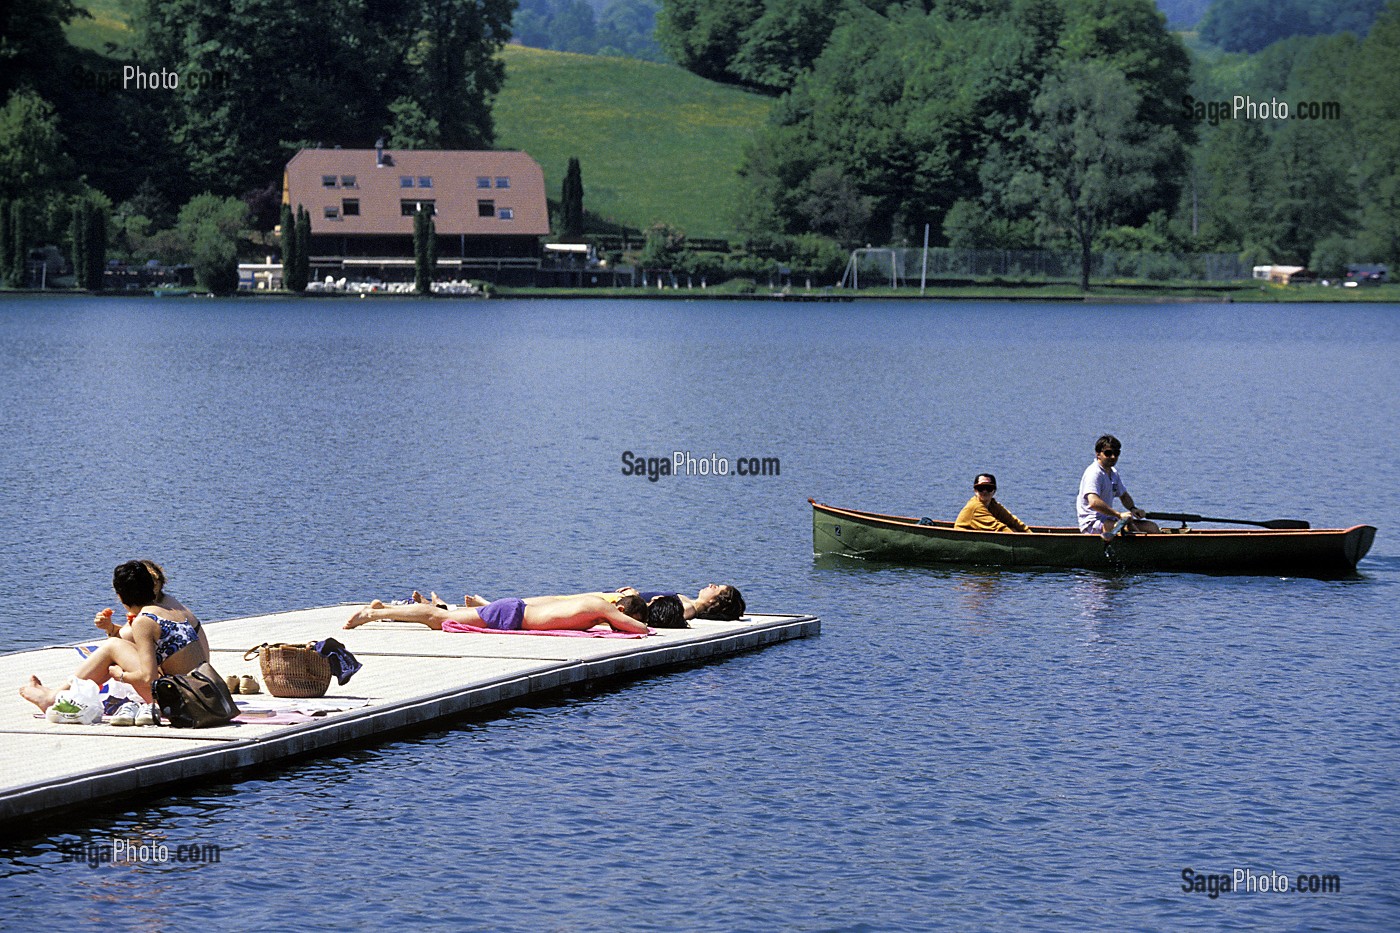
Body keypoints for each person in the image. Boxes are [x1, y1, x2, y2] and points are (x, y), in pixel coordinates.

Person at [20, 560, 211, 726]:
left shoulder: (144, 621)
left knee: (113, 647)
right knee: (119, 647)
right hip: (206, 696)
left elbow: (148, 678)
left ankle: (52, 698)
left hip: (184, 704)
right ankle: (56, 694)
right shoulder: (169, 609)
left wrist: (120, 676)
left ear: (120, 596)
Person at [423, 583, 746, 623]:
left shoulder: (687, 608)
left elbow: (652, 616)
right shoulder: (687, 601)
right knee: (538, 603)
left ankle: (445, 609)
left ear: (717, 601)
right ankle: (455, 607)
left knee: (540, 603)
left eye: (718, 588)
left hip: (612, 602)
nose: (712, 584)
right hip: (614, 600)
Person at [344, 592, 651, 634]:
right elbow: (638, 629)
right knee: (435, 619)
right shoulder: (603, 607)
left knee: (437, 620)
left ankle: (384, 611)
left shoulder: (595, 605)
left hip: (514, 612)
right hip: (512, 615)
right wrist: (650, 628)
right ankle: (370, 616)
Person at [1077, 435, 1161, 539]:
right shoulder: (1094, 473)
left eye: (1116, 453)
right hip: (1092, 523)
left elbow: (1124, 496)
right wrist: (1119, 515)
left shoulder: (1113, 473)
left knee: (1152, 527)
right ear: (1098, 454)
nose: (1113, 457)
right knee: (1129, 530)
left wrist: (1133, 509)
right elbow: (1094, 502)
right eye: (1108, 453)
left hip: (1109, 519)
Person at [954, 473, 1032, 533]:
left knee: (1013, 527)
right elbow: (999, 528)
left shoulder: (992, 505)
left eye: (989, 488)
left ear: (994, 491)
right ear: (975, 490)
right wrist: (1021, 538)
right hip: (964, 540)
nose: (985, 491)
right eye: (980, 488)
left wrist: (1030, 534)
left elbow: (1012, 520)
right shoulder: (975, 507)